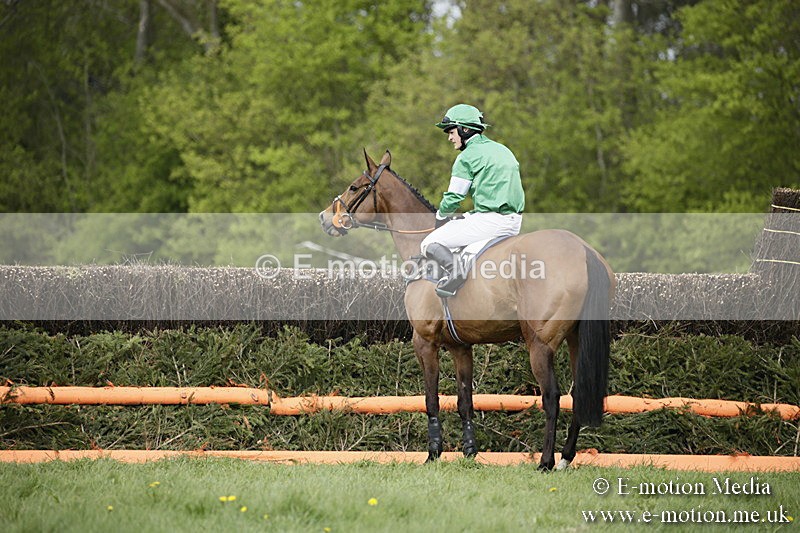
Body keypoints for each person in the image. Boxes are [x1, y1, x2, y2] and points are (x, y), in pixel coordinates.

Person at [421, 103, 525, 297]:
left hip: (490, 222)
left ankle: (456, 272)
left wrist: (441, 216)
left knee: (429, 242)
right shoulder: (503, 150)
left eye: (451, 132)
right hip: (514, 222)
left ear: (465, 130)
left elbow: (454, 197)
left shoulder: (466, 157)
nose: (450, 138)